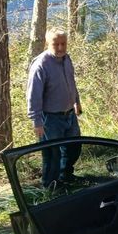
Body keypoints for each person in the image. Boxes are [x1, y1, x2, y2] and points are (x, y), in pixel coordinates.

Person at [27, 27, 83, 188]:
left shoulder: (67, 59)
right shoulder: (40, 65)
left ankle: (65, 176)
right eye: (55, 44)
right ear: (47, 43)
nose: (60, 48)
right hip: (50, 118)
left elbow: (71, 83)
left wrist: (76, 101)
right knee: (52, 154)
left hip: (69, 114)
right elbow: (33, 95)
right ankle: (50, 186)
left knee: (74, 147)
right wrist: (37, 122)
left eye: (63, 44)